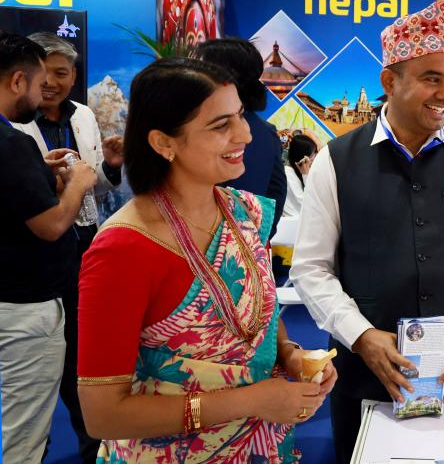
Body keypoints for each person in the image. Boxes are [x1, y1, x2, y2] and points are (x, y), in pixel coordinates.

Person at [290, 0, 444, 463]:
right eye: (431, 79)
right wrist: (361, 336)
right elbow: (311, 268)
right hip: (367, 378)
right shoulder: (337, 161)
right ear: (389, 81)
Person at [76, 57, 336, 462]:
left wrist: (291, 354)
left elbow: (257, 313)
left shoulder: (245, 212)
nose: (245, 134)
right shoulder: (123, 249)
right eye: (221, 125)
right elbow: (104, 414)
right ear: (163, 143)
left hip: (262, 447)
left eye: (240, 116)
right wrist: (252, 400)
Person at [12, 32, 123, 463]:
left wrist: (109, 168)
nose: (51, 83)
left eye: (61, 73)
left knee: (84, 355)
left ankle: (94, 446)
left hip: (86, 253)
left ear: (74, 76)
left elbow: (91, 188)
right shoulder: (14, 126)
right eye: (44, 74)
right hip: (35, 259)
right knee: (38, 366)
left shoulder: (84, 116)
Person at [0, 31, 96, 464]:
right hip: (25, 309)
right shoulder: (12, 143)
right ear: (17, 81)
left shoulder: (20, 147)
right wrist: (77, 183)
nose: (45, 92)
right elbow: (53, 225)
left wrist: (37, 170)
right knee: (25, 435)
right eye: (40, 82)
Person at [195, 37, 287, 238]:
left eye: (199, 70)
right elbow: (276, 197)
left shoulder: (204, 131)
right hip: (243, 247)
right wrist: (253, 243)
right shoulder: (267, 132)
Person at [283, 133, 318, 220]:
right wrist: (306, 175)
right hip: (293, 223)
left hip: (302, 219)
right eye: (313, 153)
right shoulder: (289, 173)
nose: (316, 156)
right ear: (304, 157)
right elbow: (307, 203)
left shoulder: (301, 172)